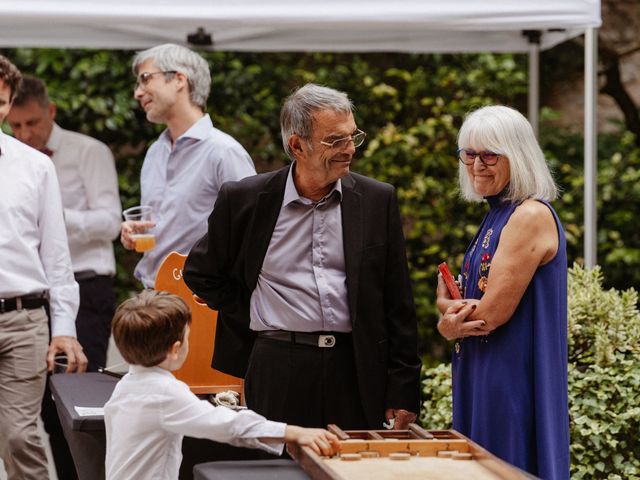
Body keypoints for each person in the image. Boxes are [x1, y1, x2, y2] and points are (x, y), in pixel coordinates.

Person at [184, 83, 421, 432]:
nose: (348, 150)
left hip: (354, 365)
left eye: (352, 137)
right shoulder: (246, 199)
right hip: (278, 364)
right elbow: (201, 272)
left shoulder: (376, 200)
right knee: (276, 471)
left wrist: (404, 389)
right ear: (297, 145)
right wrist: (252, 307)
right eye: (335, 141)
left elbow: (398, 302)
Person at [436, 105, 569, 479]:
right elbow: (453, 300)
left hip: (510, 377)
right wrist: (451, 313)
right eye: (470, 154)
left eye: (490, 154)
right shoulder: (497, 214)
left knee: (503, 467)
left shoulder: (528, 215)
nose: (477, 164)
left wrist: (449, 325)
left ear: (518, 155)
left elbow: (487, 314)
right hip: (485, 370)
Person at [6, 74, 121, 480]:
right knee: (33, 414)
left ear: (51, 112)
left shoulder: (88, 152)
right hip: (37, 292)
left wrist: (47, 213)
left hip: (85, 289)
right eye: (15, 126)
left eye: (32, 123)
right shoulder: (15, 162)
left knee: (73, 404)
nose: (25, 133)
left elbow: (110, 222)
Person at [105, 290, 339, 480]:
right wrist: (292, 432)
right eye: (187, 336)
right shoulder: (164, 392)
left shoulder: (128, 384)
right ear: (175, 348)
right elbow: (227, 425)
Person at [0, 54, 87, 480]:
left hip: (23, 322)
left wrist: (65, 329)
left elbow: (56, 256)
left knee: (19, 436)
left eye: (0, 102)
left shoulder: (35, 166)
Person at [120, 43, 256, 288]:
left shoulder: (225, 152)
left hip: (201, 301)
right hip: (153, 296)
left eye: (145, 79)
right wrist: (134, 232)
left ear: (179, 80)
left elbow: (252, 234)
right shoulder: (154, 152)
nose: (138, 93)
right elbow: (158, 225)